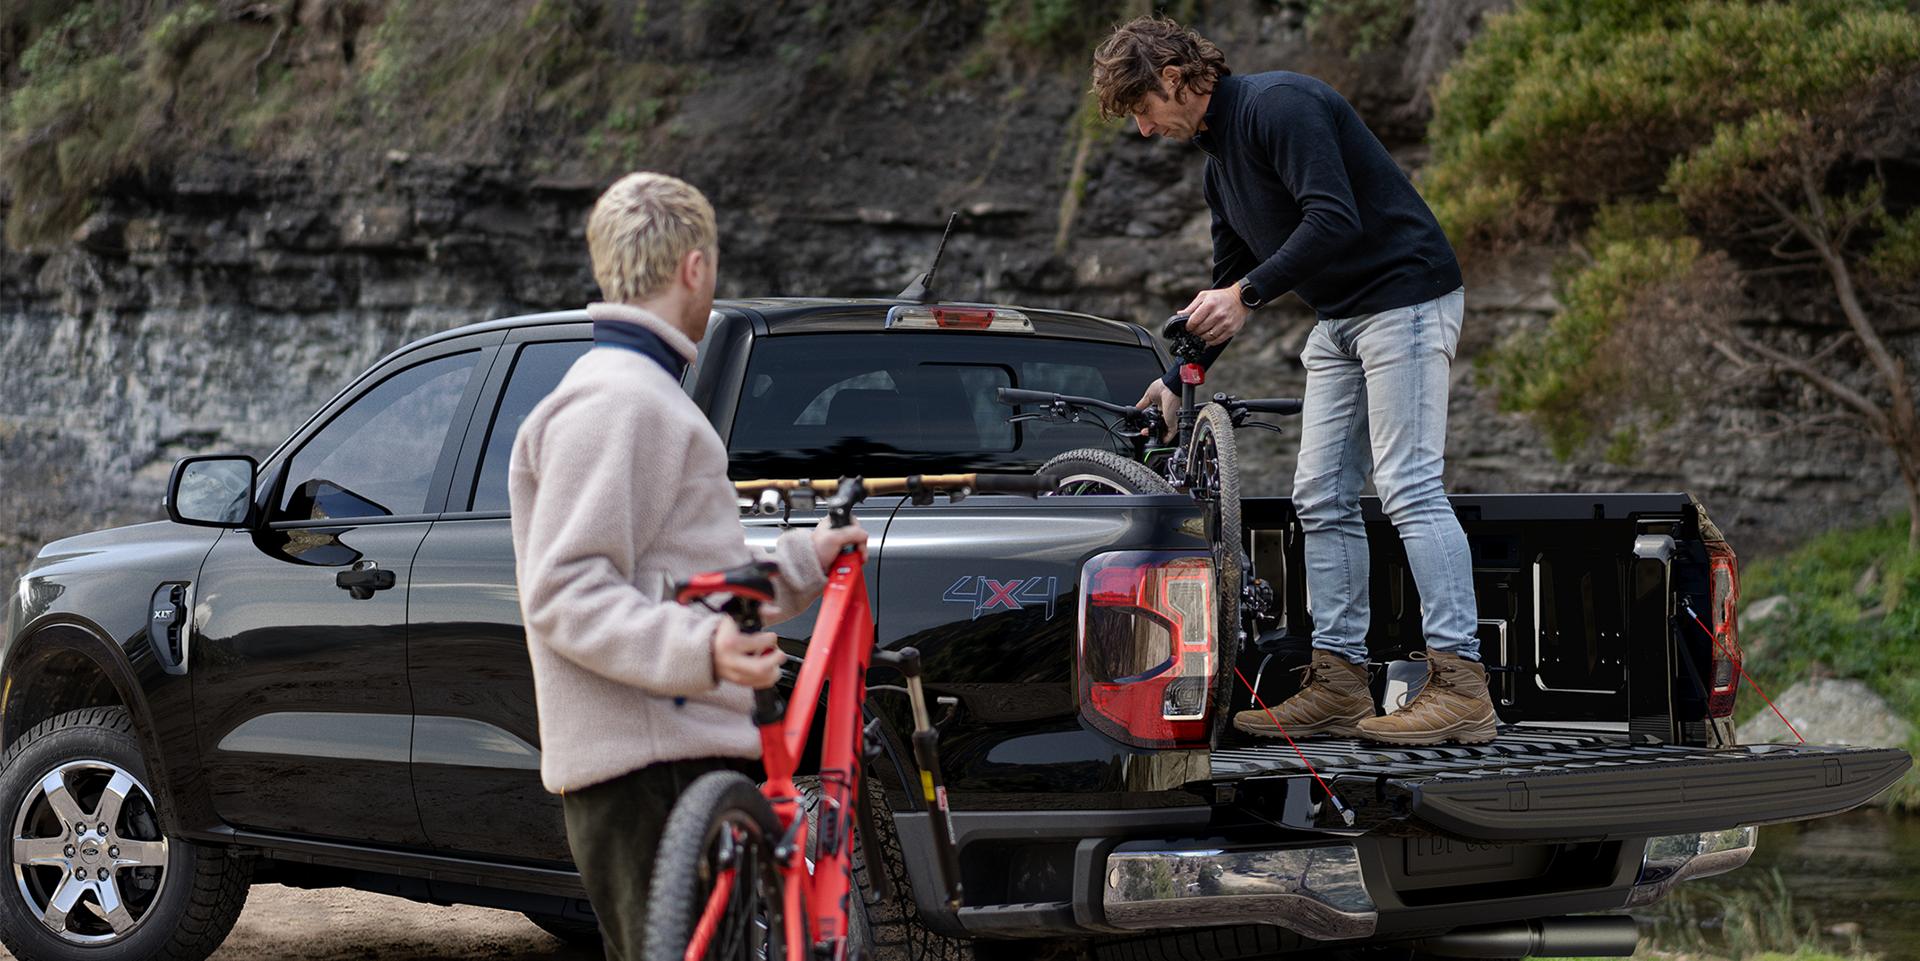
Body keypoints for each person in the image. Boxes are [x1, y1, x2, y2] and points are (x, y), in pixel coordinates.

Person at [1090, 17, 1497, 745]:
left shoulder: (1281, 106)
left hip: (1404, 296)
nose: (1145, 131)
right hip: (1340, 316)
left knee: (1407, 484)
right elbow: (1225, 280)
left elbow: (1332, 219)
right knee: (1319, 494)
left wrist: (1247, 296)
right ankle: (1341, 682)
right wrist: (1176, 377)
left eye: (1142, 109)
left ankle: (1461, 683)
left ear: (1176, 79)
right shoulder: (1220, 166)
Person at [508, 171, 865, 959]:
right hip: (649, 766)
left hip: (665, 758)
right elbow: (564, 590)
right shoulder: (619, 402)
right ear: (695, 268)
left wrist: (803, 559)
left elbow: (688, 578)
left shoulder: (633, 395)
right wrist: (700, 651)